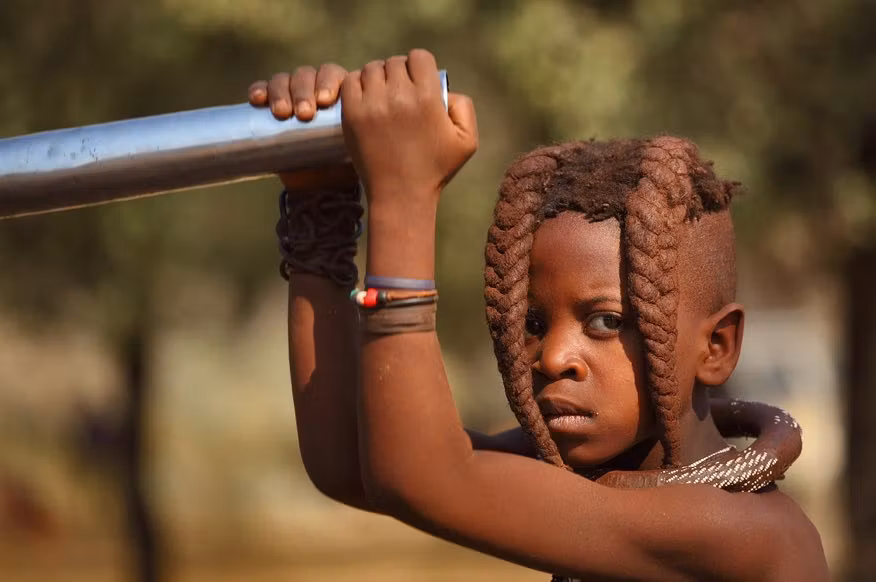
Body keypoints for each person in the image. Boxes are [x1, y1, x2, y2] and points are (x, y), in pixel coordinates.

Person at [248, 49, 829, 581]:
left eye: (604, 322)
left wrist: (402, 193)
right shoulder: (596, 473)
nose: (552, 358)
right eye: (531, 324)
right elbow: (352, 462)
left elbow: (417, 476)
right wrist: (320, 207)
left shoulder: (752, 538)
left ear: (717, 347)